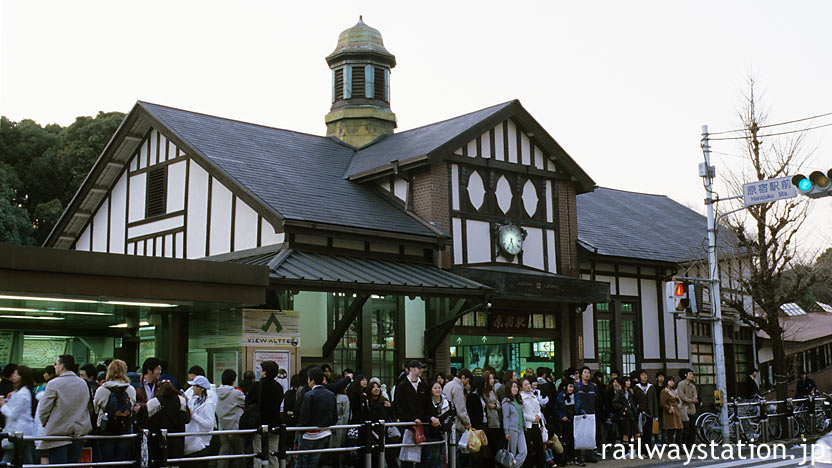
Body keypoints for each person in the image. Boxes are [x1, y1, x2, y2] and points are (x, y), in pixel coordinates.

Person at [37, 355, 92, 464]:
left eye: (56, 364)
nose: (54, 367)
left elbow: (44, 409)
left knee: (58, 464)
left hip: (58, 432)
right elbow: (88, 407)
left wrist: (46, 423)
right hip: (78, 431)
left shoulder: (53, 384)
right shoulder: (83, 383)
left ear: (62, 366)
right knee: (73, 463)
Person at [93, 360, 137, 462]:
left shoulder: (102, 390)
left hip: (106, 428)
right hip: (125, 427)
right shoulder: (130, 389)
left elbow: (95, 409)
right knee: (122, 461)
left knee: (106, 461)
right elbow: (132, 406)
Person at [246, 361, 284, 468]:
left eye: (262, 370)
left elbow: (248, 403)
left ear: (265, 372)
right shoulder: (279, 387)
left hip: (260, 425)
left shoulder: (257, 386)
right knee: (273, 455)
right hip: (275, 425)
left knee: (259, 455)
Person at [297, 366, 336, 468]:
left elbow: (304, 417)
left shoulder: (309, 395)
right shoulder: (331, 395)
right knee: (314, 459)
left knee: (302, 460)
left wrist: (302, 430)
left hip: (309, 433)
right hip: (324, 432)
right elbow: (334, 416)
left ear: (312, 380)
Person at [145, 381, 190, 463]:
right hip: (177, 441)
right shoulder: (181, 401)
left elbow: (147, 423)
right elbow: (187, 419)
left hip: (159, 442)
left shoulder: (153, 403)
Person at [395, 360, 429, 468]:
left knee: (423, 454)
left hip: (422, 424)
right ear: (410, 369)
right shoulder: (402, 386)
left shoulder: (423, 385)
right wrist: (411, 419)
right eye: (418, 368)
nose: (420, 370)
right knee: (407, 455)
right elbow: (399, 406)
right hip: (408, 425)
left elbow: (427, 404)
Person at [0, 366, 37, 464]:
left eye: (16, 373)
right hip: (20, 430)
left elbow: (13, 414)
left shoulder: (22, 393)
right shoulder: (20, 391)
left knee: (23, 456)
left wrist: (3, 405)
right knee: (22, 455)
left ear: (22, 376)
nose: (13, 375)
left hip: (20, 430)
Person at [184, 375, 217, 468]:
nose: (192, 388)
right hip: (192, 441)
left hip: (200, 443)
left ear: (201, 388)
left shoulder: (208, 404)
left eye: (194, 386)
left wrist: (193, 415)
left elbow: (209, 424)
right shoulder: (194, 400)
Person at [216, 370, 245, 468]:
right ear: (233, 380)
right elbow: (245, 402)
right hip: (234, 426)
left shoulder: (218, 392)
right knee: (239, 452)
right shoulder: (236, 393)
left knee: (224, 450)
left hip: (222, 426)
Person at [424, 380, 455, 468]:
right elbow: (425, 414)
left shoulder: (447, 401)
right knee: (434, 455)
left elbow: (451, 414)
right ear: (431, 390)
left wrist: (445, 424)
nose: (437, 390)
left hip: (444, 431)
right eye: (435, 388)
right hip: (432, 432)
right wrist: (432, 419)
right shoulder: (428, 402)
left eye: (439, 388)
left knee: (442, 455)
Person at [501, 380, 528, 468]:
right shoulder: (506, 402)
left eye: (516, 387)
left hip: (521, 429)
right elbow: (506, 417)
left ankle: (513, 466)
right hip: (512, 429)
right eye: (513, 387)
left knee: (523, 451)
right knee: (512, 453)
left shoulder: (518, 400)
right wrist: (506, 431)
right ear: (509, 388)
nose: (515, 389)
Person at [521, 378, 546, 468]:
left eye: (528, 384)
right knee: (528, 448)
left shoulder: (534, 396)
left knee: (539, 447)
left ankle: (541, 464)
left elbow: (538, 409)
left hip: (536, 425)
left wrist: (538, 416)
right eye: (525, 385)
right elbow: (522, 413)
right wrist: (532, 418)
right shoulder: (521, 397)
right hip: (528, 426)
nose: (528, 386)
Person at [574, 367, 597, 464]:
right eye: (585, 372)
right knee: (579, 434)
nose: (587, 374)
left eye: (588, 373)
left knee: (590, 434)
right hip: (579, 414)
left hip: (591, 412)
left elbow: (596, 399)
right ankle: (578, 456)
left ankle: (589, 455)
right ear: (581, 374)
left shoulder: (593, 387)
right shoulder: (576, 386)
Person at [611, 378, 638, 456]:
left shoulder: (630, 392)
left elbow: (632, 403)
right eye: (627, 381)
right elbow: (614, 403)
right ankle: (626, 451)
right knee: (626, 433)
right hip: (624, 415)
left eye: (629, 381)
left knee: (637, 433)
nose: (628, 382)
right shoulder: (619, 392)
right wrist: (623, 408)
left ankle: (633, 449)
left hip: (631, 414)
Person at [632, 370, 658, 448]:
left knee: (648, 433)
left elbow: (654, 401)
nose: (644, 376)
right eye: (642, 375)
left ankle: (648, 450)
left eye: (645, 375)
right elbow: (633, 401)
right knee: (640, 433)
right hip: (640, 413)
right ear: (639, 377)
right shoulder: (636, 388)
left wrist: (655, 414)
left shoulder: (651, 387)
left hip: (649, 413)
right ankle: (641, 450)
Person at [443, 368, 472, 435]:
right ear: (463, 377)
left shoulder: (448, 385)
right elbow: (460, 408)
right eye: (468, 380)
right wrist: (467, 422)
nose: (468, 383)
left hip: (446, 420)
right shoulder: (458, 387)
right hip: (455, 423)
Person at [482, 370, 502, 465]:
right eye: (490, 378)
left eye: (492, 378)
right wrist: (492, 405)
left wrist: (494, 406)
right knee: (489, 447)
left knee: (495, 447)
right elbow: (487, 405)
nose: (492, 380)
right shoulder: (484, 392)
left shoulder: (493, 391)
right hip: (489, 422)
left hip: (496, 421)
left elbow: (498, 405)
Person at [555, 382, 577, 466]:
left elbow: (579, 406)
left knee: (572, 438)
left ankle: (572, 456)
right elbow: (556, 408)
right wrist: (562, 416)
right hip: (564, 420)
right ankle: (565, 457)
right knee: (565, 438)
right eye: (570, 386)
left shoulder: (575, 395)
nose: (571, 388)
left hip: (573, 418)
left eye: (572, 387)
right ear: (565, 387)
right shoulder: (560, 396)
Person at [676, 369, 698, 447]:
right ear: (685, 375)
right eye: (690, 374)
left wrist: (692, 400)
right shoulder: (681, 384)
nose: (691, 375)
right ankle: (683, 444)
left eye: (692, 374)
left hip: (692, 408)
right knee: (685, 428)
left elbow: (695, 396)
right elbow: (681, 396)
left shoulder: (693, 385)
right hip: (684, 408)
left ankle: (691, 443)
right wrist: (691, 400)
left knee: (693, 427)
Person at [659, 376, 682, 447]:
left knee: (679, 429)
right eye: (670, 381)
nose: (672, 382)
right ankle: (672, 447)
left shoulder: (673, 391)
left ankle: (679, 446)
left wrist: (677, 399)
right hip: (669, 413)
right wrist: (669, 408)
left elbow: (678, 401)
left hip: (676, 412)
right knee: (671, 431)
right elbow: (662, 403)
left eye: (673, 381)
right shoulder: (664, 391)